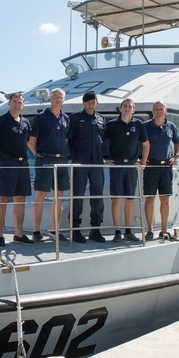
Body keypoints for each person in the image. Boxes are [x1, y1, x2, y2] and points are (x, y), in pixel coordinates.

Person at [0, 92, 33, 246]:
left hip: (23, 164)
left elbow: (28, 142)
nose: (17, 105)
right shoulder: (1, 121)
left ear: (23, 105)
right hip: (7, 163)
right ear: (9, 103)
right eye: (14, 101)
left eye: (20, 102)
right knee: (3, 198)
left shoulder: (25, 122)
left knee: (20, 198)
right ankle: (0, 235)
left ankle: (18, 233)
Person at [27, 87, 70, 243]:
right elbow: (31, 141)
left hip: (62, 161)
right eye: (55, 97)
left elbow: (66, 140)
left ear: (64, 100)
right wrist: (39, 154)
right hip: (45, 160)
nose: (58, 100)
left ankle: (54, 230)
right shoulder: (40, 118)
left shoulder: (66, 118)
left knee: (59, 196)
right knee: (40, 195)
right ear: (50, 98)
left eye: (61, 97)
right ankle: (36, 231)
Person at [104, 98, 149, 242]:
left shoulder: (138, 124)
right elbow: (99, 142)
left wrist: (143, 162)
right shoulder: (111, 125)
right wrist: (103, 160)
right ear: (120, 108)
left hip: (131, 166)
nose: (127, 108)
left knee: (130, 199)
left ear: (134, 110)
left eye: (130, 106)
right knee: (116, 199)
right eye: (125, 106)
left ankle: (128, 231)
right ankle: (117, 231)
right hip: (116, 165)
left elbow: (146, 144)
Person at [66, 90, 106, 243]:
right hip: (80, 163)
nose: (91, 105)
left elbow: (103, 140)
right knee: (77, 196)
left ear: (97, 103)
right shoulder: (75, 118)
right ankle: (75, 229)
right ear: (83, 103)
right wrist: (74, 156)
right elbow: (68, 140)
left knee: (97, 197)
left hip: (96, 164)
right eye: (88, 102)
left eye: (93, 102)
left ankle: (95, 229)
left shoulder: (101, 119)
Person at [143, 101, 179, 240]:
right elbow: (138, 142)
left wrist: (176, 155)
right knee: (150, 199)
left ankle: (164, 230)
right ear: (153, 110)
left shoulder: (171, 126)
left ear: (166, 110)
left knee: (165, 199)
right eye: (156, 109)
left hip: (166, 167)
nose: (159, 111)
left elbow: (178, 142)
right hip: (151, 166)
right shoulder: (145, 126)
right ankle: (150, 230)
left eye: (161, 108)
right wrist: (141, 159)